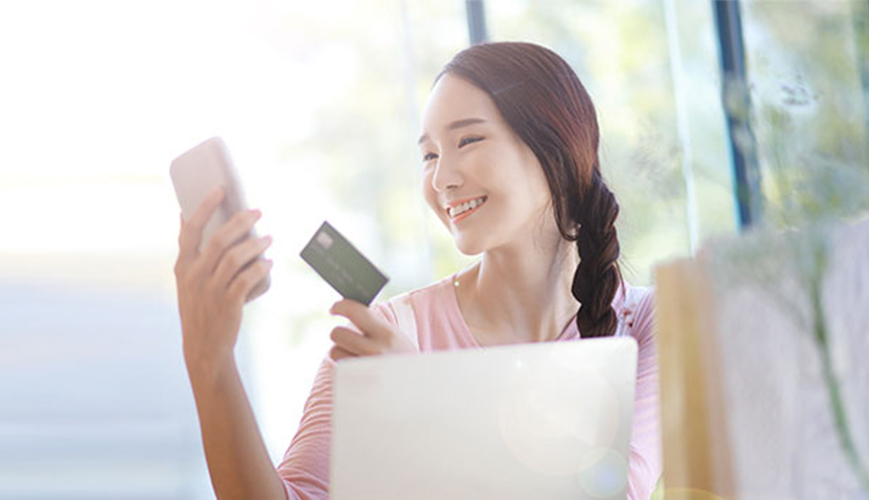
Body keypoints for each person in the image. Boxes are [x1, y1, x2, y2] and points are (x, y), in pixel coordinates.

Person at [174, 41, 661, 500]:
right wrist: (210, 362)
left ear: (556, 148)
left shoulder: (649, 323)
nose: (442, 179)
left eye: (467, 140)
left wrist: (425, 401)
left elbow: (614, 491)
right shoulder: (387, 334)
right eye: (429, 155)